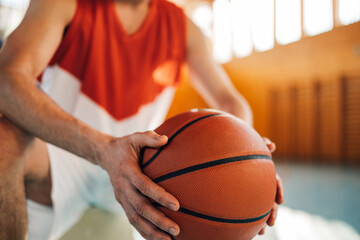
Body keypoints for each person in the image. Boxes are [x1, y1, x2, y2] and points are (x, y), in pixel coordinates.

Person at [0, 0, 284, 239]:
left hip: (143, 170)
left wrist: (250, 156)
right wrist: (104, 149)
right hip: (66, 154)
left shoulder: (183, 27)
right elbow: (6, 79)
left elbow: (229, 101)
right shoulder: (64, 4)